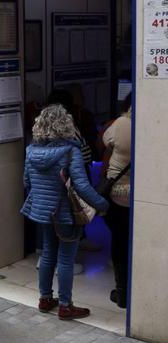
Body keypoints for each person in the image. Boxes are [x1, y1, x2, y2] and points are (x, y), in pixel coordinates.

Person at [22, 104, 109, 321]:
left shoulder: (31, 151)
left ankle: (44, 299)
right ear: (66, 125)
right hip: (65, 213)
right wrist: (102, 204)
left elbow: (26, 182)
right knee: (66, 259)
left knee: (48, 254)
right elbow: (82, 186)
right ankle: (65, 305)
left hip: (42, 212)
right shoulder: (71, 152)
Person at [102, 93, 133, 309]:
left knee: (119, 241)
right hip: (140, 194)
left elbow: (105, 140)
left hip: (117, 191)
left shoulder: (121, 123)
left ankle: (121, 291)